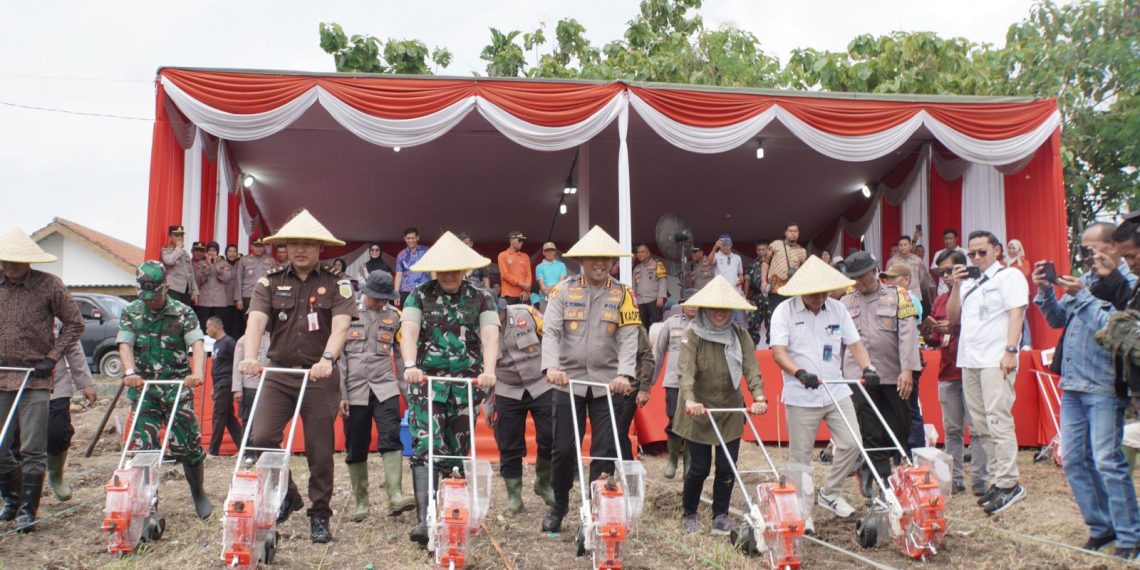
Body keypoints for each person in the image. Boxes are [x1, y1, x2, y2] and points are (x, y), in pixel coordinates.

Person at [239, 209, 355, 544]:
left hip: (319, 376)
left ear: (321, 249)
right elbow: (257, 322)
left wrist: (328, 358)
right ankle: (287, 492)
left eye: (308, 244)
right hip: (278, 372)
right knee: (259, 436)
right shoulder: (270, 282)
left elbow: (341, 327)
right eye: (293, 244)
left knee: (319, 452)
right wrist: (249, 357)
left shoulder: (338, 284)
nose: (300, 250)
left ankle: (320, 514)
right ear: (285, 249)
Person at [1034, 222, 1140, 557]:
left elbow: (1110, 329)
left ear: (1113, 247)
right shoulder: (1088, 281)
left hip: (1104, 386)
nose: (1086, 254)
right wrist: (1046, 290)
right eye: (1082, 247)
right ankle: (1101, 527)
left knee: (1108, 462)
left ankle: (1130, 537)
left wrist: (1081, 295)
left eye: (1091, 247)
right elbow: (1055, 320)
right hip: (1073, 384)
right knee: (1074, 461)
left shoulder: (1130, 284)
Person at [398, 231, 499, 545]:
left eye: (455, 268)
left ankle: (449, 512)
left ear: (465, 269)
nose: (449, 273)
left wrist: (490, 371)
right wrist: (411, 365)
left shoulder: (482, 297)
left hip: (466, 385)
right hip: (426, 383)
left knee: (457, 450)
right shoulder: (419, 295)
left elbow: (490, 335)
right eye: (442, 268)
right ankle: (424, 519)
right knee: (428, 444)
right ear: (433, 270)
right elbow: (409, 330)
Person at [540, 225, 640, 533]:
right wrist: (551, 367)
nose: (599, 264)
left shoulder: (624, 294)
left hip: (607, 384)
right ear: (581, 261)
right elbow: (552, 331)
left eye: (606, 259)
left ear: (612, 262)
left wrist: (625, 373)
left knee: (604, 448)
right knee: (564, 448)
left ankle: (595, 510)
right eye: (593, 259)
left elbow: (628, 336)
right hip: (567, 381)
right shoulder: (563, 291)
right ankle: (559, 506)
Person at [770, 256, 879, 527]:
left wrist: (868, 369)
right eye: (813, 293)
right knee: (801, 457)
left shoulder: (838, 310)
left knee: (852, 442)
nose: (819, 298)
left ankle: (829, 493)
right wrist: (799, 373)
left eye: (823, 293)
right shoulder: (784, 311)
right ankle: (800, 510)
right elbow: (778, 352)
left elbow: (855, 344)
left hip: (835, 388)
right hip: (801, 393)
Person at [0, 229, 84, 531]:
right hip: (1, 375)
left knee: (32, 448)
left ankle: (27, 510)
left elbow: (75, 323)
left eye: (14, 262)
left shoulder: (49, 286)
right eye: (4, 261)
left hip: (34, 377)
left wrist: (52, 356)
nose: (8, 267)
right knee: (1, 446)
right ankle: (11, 495)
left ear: (28, 261)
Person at [672, 276, 768, 535]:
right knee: (699, 468)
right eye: (715, 308)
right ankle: (689, 512)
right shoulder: (693, 335)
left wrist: (759, 397)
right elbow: (686, 370)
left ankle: (720, 516)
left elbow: (751, 367)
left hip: (729, 410)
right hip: (700, 410)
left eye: (725, 309)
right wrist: (690, 399)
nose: (720, 313)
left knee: (727, 467)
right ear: (705, 308)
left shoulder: (740, 335)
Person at [117, 260, 212, 520]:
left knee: (187, 446)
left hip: (176, 387)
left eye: (154, 295)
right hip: (145, 389)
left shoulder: (183, 312)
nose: (150, 301)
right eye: (145, 296)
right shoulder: (132, 312)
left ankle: (198, 492)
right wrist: (129, 372)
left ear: (165, 288)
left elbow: (197, 343)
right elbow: (125, 344)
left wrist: (198, 373)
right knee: (142, 447)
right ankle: (148, 504)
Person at [946, 230, 1029, 516]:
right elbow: (952, 317)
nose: (977, 258)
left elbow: (1017, 314)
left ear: (997, 250)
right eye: (972, 253)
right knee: (980, 425)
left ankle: (1009, 482)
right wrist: (956, 285)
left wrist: (1011, 350)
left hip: (996, 359)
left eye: (982, 252)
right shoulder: (969, 283)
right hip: (970, 360)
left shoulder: (1009, 277)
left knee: (998, 418)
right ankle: (998, 479)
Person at [840, 253, 921, 494]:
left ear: (875, 271)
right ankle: (879, 475)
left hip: (892, 373)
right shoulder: (845, 302)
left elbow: (908, 335)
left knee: (897, 426)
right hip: (858, 375)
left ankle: (881, 468)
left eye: (862, 277)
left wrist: (907, 370)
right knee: (868, 427)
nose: (858, 283)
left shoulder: (900, 296)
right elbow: (839, 342)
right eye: (853, 278)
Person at [339, 270, 415, 522]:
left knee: (391, 437)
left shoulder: (394, 318)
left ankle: (395, 494)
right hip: (355, 390)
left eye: (386, 298)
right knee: (356, 445)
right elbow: (339, 357)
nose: (382, 302)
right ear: (366, 293)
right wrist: (342, 394)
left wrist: (409, 395)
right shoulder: (347, 314)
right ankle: (362, 502)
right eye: (378, 298)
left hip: (385, 388)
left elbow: (402, 358)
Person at [922, 250, 989, 496]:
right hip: (947, 370)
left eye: (950, 270)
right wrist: (932, 331)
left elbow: (982, 327)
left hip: (971, 367)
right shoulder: (940, 300)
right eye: (942, 272)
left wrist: (955, 327)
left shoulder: (975, 292)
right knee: (952, 429)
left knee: (978, 426)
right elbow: (936, 338)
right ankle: (956, 478)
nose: (946, 276)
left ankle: (981, 479)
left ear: (962, 268)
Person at [491, 301, 554, 513]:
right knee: (509, 443)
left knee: (551, 435)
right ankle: (514, 498)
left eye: (498, 312)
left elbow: (551, 336)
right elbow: (482, 369)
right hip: (506, 389)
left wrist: (556, 368)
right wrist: (487, 404)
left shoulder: (525, 313)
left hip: (540, 382)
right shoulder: (477, 328)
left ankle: (543, 483)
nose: (496, 317)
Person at [44, 326, 98, 501]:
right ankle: (12, 488)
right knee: (13, 438)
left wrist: (85, 383)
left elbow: (72, 344)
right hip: (13, 380)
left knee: (57, 432)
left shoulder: (56, 303)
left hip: (54, 381)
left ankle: (56, 476)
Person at [652, 289, 698, 479]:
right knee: (673, 421)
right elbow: (658, 351)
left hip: (697, 384)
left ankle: (689, 464)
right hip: (674, 382)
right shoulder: (671, 323)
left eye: (696, 302)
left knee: (694, 424)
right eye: (689, 303)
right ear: (682, 304)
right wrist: (649, 382)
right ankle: (672, 460)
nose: (693, 306)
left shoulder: (705, 324)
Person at [205, 316, 242, 456]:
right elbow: (216, 367)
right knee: (228, 418)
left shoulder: (229, 342)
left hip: (226, 382)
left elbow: (238, 362)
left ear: (216, 327)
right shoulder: (216, 344)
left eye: (208, 327)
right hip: (218, 384)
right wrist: (214, 386)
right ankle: (242, 446)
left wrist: (237, 385)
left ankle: (213, 451)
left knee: (218, 416)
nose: (206, 330)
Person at [234, 238, 276, 337]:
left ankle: (265, 348)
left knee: (266, 322)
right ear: (251, 247)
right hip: (248, 296)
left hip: (265, 296)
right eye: (256, 246)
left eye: (261, 246)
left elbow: (275, 280)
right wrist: (238, 299)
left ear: (264, 247)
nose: (259, 248)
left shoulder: (271, 261)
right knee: (249, 323)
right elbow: (238, 279)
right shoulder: (244, 260)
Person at [232, 328, 270, 428]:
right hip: (249, 387)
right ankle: (246, 442)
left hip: (268, 386)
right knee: (248, 420)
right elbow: (237, 365)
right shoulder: (242, 340)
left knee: (267, 420)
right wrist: (237, 389)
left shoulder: (272, 338)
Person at [886, 235, 934, 310]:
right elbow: (888, 279)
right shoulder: (892, 261)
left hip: (915, 295)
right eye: (900, 245)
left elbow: (921, 278)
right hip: (898, 296)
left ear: (910, 246)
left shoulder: (917, 260)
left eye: (905, 245)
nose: (902, 247)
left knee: (915, 320)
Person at [194, 241, 233, 332]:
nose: (212, 252)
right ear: (207, 252)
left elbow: (227, 279)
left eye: (214, 250)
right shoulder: (200, 263)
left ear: (217, 252)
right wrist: (206, 269)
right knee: (203, 327)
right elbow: (197, 280)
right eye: (210, 250)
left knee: (217, 328)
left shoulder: (224, 263)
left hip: (219, 301)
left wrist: (218, 269)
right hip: (204, 301)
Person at [768, 223, 807, 308]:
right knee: (775, 314)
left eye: (795, 231)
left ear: (798, 233)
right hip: (775, 289)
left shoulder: (802, 251)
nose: (793, 233)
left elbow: (803, 271)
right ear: (785, 233)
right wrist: (763, 281)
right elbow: (765, 262)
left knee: (791, 314)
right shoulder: (776, 244)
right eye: (790, 231)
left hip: (792, 289)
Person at [160, 225, 198, 306]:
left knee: (184, 317)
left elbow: (191, 273)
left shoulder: (185, 253)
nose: (180, 237)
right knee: (173, 315)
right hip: (173, 289)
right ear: (170, 236)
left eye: (182, 235)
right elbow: (169, 261)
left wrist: (194, 291)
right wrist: (178, 248)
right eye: (177, 235)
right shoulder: (165, 250)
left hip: (186, 291)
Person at [633, 243, 668, 327]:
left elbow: (662, 280)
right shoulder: (636, 268)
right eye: (638, 252)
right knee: (642, 326)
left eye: (642, 252)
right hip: (640, 301)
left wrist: (661, 296)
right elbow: (634, 286)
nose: (640, 254)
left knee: (657, 325)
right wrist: (634, 300)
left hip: (654, 300)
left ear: (648, 253)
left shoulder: (657, 264)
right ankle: (645, 340)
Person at [744, 241, 773, 344]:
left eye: (763, 249)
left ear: (768, 250)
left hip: (770, 297)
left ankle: (771, 350)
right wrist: (745, 297)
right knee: (753, 324)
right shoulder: (751, 264)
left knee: (771, 324)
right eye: (759, 250)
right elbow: (747, 280)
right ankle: (752, 349)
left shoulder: (773, 262)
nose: (761, 252)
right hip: (755, 297)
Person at [394, 227, 430, 301]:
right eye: (408, 238)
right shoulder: (401, 254)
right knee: (407, 312)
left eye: (413, 238)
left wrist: (435, 287)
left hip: (424, 289)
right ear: (405, 238)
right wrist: (396, 292)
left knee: (425, 312)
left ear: (417, 238)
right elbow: (399, 275)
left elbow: (433, 270)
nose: (410, 240)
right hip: (406, 291)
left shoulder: (426, 251)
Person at [498, 230, 532, 305]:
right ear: (511, 240)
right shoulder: (502, 255)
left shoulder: (525, 256)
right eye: (519, 240)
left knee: (526, 316)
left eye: (522, 241)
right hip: (509, 294)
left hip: (524, 294)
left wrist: (526, 290)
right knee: (508, 316)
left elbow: (528, 275)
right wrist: (521, 284)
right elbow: (505, 275)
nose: (521, 242)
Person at [931, 229, 968, 295]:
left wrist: (953, 271)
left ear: (956, 239)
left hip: (961, 290)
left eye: (950, 238)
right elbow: (933, 270)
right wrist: (946, 271)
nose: (948, 241)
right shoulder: (938, 253)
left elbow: (967, 269)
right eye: (946, 239)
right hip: (942, 291)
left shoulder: (964, 252)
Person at [534, 241, 567, 309]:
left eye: (552, 250)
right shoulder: (539, 267)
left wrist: (550, 289)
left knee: (559, 318)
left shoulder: (561, 265)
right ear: (543, 253)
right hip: (544, 298)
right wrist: (550, 290)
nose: (549, 253)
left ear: (555, 252)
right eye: (547, 251)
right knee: (544, 319)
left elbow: (562, 283)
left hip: (559, 298)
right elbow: (542, 286)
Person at [224, 244, 243, 337]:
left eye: (234, 251)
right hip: (224, 301)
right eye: (230, 251)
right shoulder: (221, 263)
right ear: (226, 253)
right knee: (225, 326)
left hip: (237, 300)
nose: (232, 253)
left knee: (236, 327)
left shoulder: (240, 264)